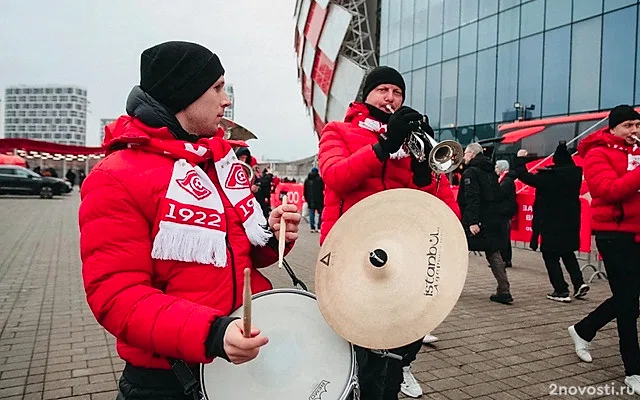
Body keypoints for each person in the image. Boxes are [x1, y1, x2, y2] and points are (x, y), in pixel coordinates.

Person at [78, 41, 301, 400]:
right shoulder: (114, 176)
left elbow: (240, 255)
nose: (225, 100)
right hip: (169, 378)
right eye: (216, 88)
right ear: (183, 94)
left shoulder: (218, 162)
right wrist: (212, 333)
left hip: (237, 357)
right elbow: (116, 296)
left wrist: (274, 235)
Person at [318, 65, 461, 400]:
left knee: (400, 335)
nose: (390, 97)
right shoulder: (337, 130)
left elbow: (440, 202)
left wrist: (426, 174)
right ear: (366, 95)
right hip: (349, 249)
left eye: (397, 92)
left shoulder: (413, 142)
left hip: (398, 252)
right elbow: (336, 177)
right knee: (356, 342)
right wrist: (384, 146)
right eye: (383, 90)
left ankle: (395, 379)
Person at [568, 105, 640, 393]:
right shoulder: (598, 152)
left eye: (637, 125)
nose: (634, 130)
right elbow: (608, 190)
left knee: (628, 296)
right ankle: (633, 370)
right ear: (613, 128)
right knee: (627, 303)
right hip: (615, 236)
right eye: (628, 126)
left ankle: (583, 329)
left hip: (637, 234)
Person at [514, 143, 588, 302]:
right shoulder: (575, 175)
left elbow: (524, 176)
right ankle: (579, 282)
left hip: (551, 222)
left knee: (550, 256)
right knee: (568, 253)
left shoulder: (550, 177)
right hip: (571, 221)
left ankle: (561, 290)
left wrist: (521, 159)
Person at [458, 143, 512, 304]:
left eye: (466, 153)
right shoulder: (490, 171)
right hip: (491, 219)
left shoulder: (470, 173)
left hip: (475, 220)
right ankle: (504, 290)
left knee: (458, 251)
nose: (464, 156)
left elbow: (472, 198)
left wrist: (473, 221)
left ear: (473, 154)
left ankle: (451, 288)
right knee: (493, 252)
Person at [495, 160, 516, 268]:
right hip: (504, 211)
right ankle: (505, 259)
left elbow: (500, 194)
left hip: (505, 212)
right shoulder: (504, 179)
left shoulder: (507, 180)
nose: (495, 169)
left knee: (504, 237)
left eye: (497, 167)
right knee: (503, 236)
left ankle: (505, 259)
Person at [303, 167, 324, 232]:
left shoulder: (307, 180)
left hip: (310, 199)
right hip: (319, 199)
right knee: (320, 213)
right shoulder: (320, 179)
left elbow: (305, 191)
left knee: (311, 213)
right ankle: (319, 227)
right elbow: (323, 189)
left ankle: (312, 227)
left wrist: (306, 199)